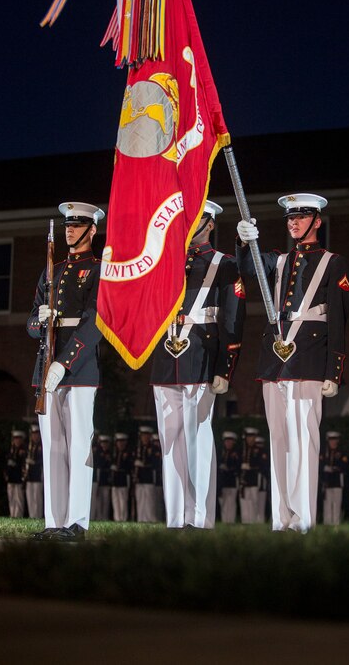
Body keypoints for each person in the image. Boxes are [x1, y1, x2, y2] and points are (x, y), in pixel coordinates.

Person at [237, 193, 349, 532]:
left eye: (301, 217)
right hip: (276, 360)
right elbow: (249, 272)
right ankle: (281, 519)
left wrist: (335, 369)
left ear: (317, 221)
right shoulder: (279, 260)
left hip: (311, 360)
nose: (294, 223)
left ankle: (303, 519)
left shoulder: (333, 263)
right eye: (290, 218)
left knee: (304, 440)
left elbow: (339, 320)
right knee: (280, 441)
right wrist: (245, 244)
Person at [151, 200, 246, 529]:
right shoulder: (167, 263)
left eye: (196, 221)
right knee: (170, 442)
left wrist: (225, 367)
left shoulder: (225, 264)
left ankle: (200, 518)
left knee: (198, 440)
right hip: (166, 358)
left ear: (209, 224)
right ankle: (175, 519)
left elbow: (232, 320)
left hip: (202, 358)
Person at [26, 201, 105, 541]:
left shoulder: (99, 269)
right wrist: (39, 319)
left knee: (77, 447)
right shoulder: (53, 269)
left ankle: (77, 522)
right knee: (53, 448)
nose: (69, 230)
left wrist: (65, 362)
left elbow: (96, 322)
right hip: (46, 366)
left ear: (92, 230)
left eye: (76, 225)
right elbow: (31, 323)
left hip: (79, 368)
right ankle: (54, 521)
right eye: (67, 224)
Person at [319, 430, 347, 526]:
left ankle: (336, 525)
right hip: (327, 483)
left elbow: (344, 466)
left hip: (337, 483)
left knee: (336, 505)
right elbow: (320, 465)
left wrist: (334, 468)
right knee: (327, 505)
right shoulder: (324, 453)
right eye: (331, 440)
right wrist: (324, 468)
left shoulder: (341, 453)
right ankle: (327, 524)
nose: (333, 442)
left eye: (334, 440)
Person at [133, 425, 158, 523]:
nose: (145, 438)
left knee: (150, 501)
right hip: (139, 477)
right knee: (140, 500)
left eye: (147, 435)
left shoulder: (154, 448)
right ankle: (141, 519)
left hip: (149, 477)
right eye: (143, 435)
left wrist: (144, 463)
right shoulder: (138, 448)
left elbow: (155, 462)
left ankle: (150, 519)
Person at [238, 426, 262, 524]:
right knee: (244, 503)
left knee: (254, 503)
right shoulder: (242, 450)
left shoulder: (258, 450)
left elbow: (261, 464)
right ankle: (245, 522)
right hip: (244, 482)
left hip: (254, 481)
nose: (249, 439)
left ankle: (254, 522)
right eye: (248, 437)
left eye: (252, 437)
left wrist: (250, 466)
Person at [217, 431, 240, 524]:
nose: (228, 443)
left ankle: (231, 521)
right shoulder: (221, 452)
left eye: (230, 441)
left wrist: (229, 469)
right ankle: (224, 521)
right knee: (223, 504)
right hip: (222, 483)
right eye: (226, 441)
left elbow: (237, 467)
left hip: (232, 482)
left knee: (231, 504)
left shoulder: (236, 454)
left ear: (233, 442)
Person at [111, 433, 134, 522]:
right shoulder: (115, 453)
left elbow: (129, 467)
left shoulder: (128, 454)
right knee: (115, 500)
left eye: (122, 442)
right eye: (118, 442)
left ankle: (123, 518)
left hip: (123, 479)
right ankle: (117, 518)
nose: (120, 444)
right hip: (115, 480)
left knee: (123, 500)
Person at [5, 429, 27, 518]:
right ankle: (12, 514)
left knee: (19, 498)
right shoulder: (11, 451)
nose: (16, 441)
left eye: (18, 439)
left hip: (18, 478)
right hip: (11, 478)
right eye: (15, 439)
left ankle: (18, 515)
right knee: (11, 498)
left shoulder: (23, 451)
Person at [24, 424, 44, 519]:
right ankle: (32, 516)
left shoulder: (41, 446)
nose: (35, 436)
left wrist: (34, 462)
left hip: (37, 476)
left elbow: (42, 460)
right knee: (30, 497)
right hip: (29, 476)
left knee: (37, 498)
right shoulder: (29, 446)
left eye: (36, 434)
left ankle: (37, 516)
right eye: (33, 434)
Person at [93, 435, 113, 521]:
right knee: (97, 501)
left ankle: (104, 517)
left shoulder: (111, 453)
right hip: (98, 480)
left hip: (106, 480)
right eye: (102, 443)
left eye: (105, 443)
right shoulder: (97, 453)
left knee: (105, 501)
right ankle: (98, 517)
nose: (104, 445)